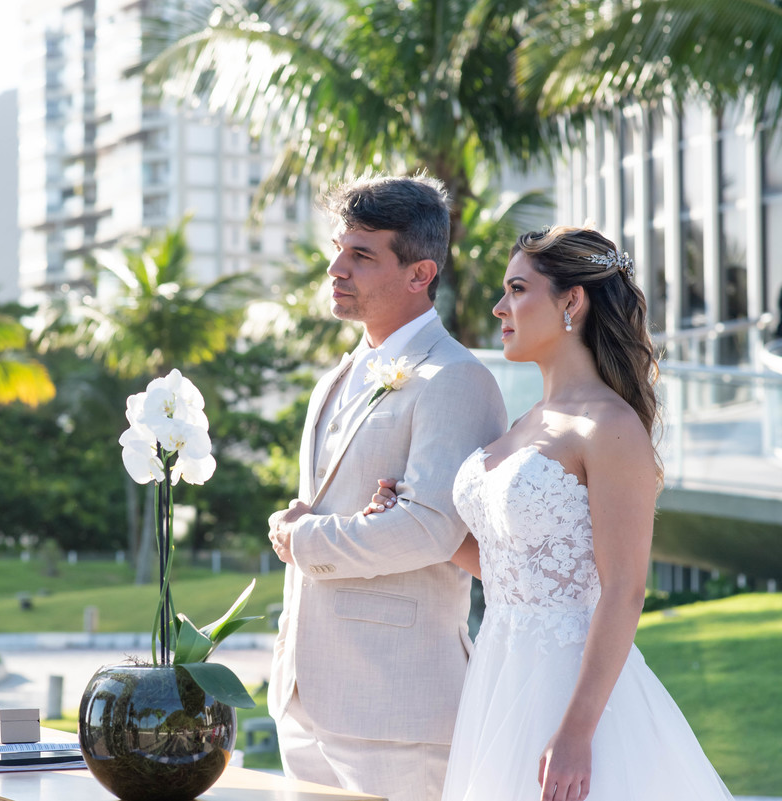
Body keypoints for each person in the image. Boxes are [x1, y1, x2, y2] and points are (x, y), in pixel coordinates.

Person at [368, 225, 734, 800]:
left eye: (517, 289)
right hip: (498, 671)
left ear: (572, 300)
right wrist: (403, 509)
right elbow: (520, 570)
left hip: (573, 689)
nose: (499, 307)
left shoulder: (609, 427)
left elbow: (624, 590)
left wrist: (576, 732)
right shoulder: (527, 422)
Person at [265, 173, 507, 801]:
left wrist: (303, 537)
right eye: (339, 248)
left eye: (362, 255)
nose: (335, 267)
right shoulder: (335, 378)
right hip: (303, 699)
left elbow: (431, 528)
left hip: (398, 706)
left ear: (420, 273)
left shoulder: (455, 378)